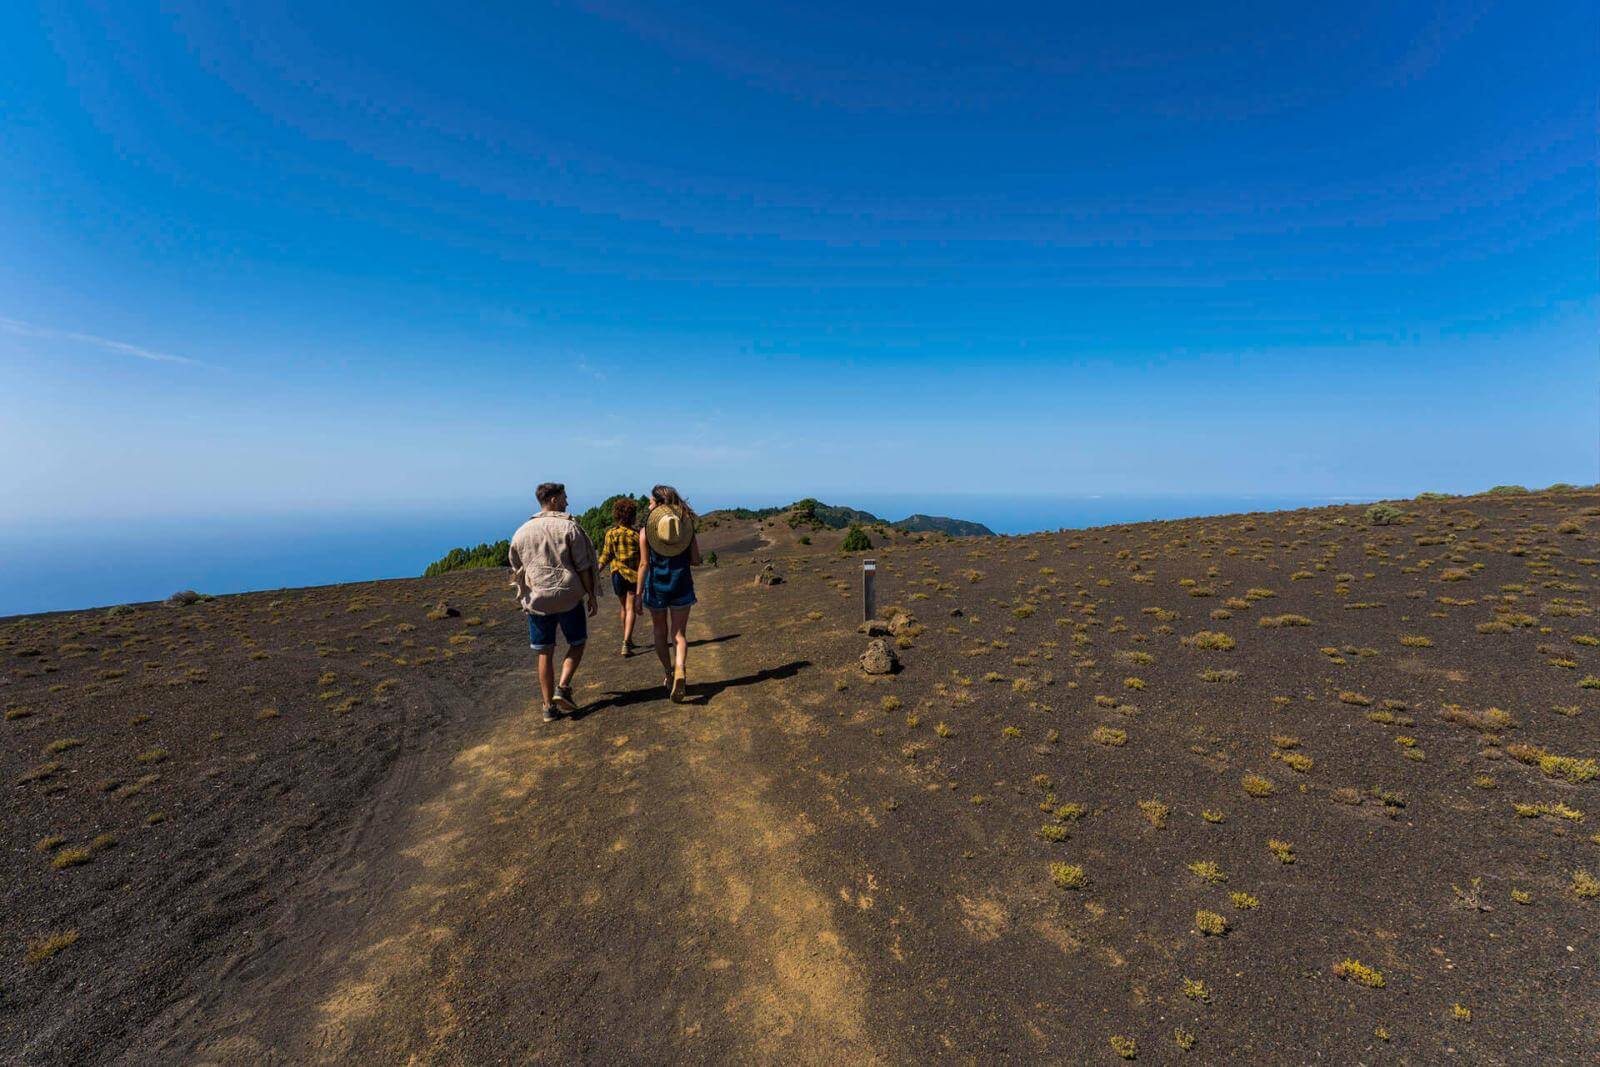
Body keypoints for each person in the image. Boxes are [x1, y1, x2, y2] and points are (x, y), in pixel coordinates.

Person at [508, 482, 598, 722]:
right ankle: (563, 687)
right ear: (555, 500)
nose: (567, 502)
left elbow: (517, 568)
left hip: (537, 601)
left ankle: (548, 707)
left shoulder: (521, 532)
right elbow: (583, 566)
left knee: (544, 652)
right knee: (577, 643)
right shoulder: (570, 528)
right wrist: (590, 594)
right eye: (565, 497)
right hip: (568, 596)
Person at [637, 484, 701, 702]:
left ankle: (668, 672)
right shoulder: (686, 527)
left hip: (656, 588)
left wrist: (637, 595)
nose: (648, 504)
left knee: (659, 632)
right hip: (681, 584)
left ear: (658, 503)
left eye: (651, 501)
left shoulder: (646, 531)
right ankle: (681, 668)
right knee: (679, 634)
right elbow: (695, 560)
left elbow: (644, 564)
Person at [596, 496, 642, 657]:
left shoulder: (611, 533)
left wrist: (596, 572)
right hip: (633, 576)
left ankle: (627, 638)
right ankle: (626, 642)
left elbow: (605, 556)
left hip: (616, 575)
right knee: (631, 609)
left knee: (623, 607)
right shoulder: (637, 535)